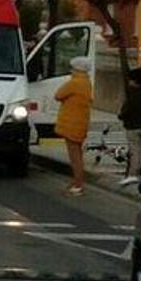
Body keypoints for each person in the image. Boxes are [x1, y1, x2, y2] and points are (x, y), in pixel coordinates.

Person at [54, 56, 93, 196]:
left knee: (75, 157)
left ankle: (78, 184)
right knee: (78, 155)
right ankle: (77, 181)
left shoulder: (74, 82)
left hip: (71, 123)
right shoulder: (87, 82)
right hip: (81, 122)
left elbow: (58, 95)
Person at [119, 65, 141, 185]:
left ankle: (133, 174)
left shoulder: (133, 94)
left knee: (135, 151)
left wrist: (121, 116)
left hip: (133, 126)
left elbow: (126, 111)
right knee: (140, 151)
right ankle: (138, 172)